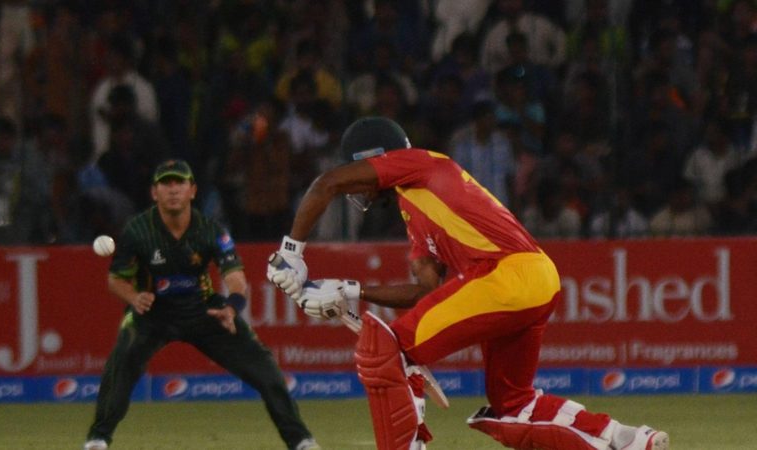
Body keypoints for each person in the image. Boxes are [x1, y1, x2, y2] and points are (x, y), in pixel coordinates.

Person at [267, 117, 669, 450]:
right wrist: (351, 290)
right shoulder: (415, 202)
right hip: (535, 278)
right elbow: (426, 291)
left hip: (502, 275)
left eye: (359, 170)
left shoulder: (416, 163)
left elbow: (327, 183)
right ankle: (624, 438)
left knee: (386, 351)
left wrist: (291, 252)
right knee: (514, 406)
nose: (358, 186)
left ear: (375, 159)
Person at [83, 160, 319, 450]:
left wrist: (232, 307)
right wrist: (133, 297)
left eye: (179, 183)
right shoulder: (138, 230)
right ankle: (98, 439)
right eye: (166, 184)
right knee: (121, 364)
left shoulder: (211, 230)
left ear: (192, 190)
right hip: (151, 313)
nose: (173, 190)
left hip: (205, 311)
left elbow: (235, 276)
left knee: (265, 369)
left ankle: (301, 440)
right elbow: (116, 280)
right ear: (154, 192)